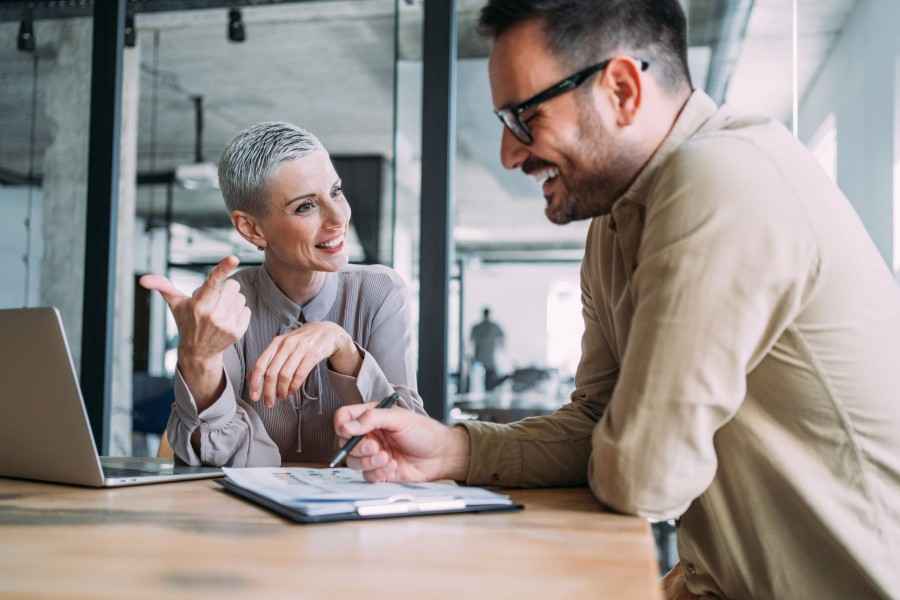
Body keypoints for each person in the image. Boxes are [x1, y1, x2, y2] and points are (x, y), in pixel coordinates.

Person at [333, 1, 900, 599]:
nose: (509, 152)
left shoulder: (723, 177)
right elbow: (599, 428)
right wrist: (456, 448)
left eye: (525, 117)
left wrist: (615, 446)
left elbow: (644, 475)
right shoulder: (613, 227)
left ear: (623, 89)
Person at [141, 122, 425, 467]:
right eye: (305, 206)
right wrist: (197, 361)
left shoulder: (380, 291)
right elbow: (220, 459)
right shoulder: (226, 307)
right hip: (247, 515)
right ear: (252, 229)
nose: (338, 218)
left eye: (335, 191)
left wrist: (344, 349)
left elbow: (412, 443)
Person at [469, 307, 505, 390]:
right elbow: (501, 338)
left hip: (479, 357)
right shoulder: (493, 326)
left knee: (487, 378)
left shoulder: (476, 327)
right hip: (487, 358)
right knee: (490, 378)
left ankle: (487, 388)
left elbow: (471, 341)